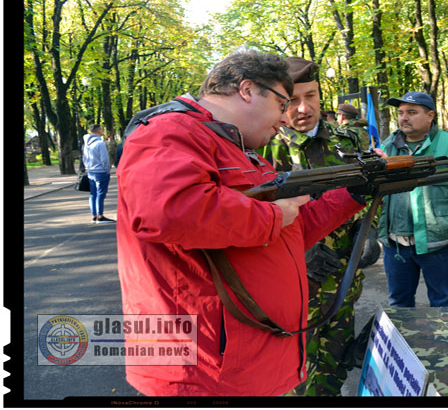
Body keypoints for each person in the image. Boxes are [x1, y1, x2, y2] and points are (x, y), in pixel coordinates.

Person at [115, 50, 365, 396]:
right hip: (202, 367)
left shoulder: (234, 144)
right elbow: (166, 211)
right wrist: (274, 215)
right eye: (282, 103)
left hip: (240, 357)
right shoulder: (170, 130)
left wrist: (354, 194)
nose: (284, 118)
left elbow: (289, 231)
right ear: (247, 90)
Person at [258, 57, 371, 396]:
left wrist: (370, 231)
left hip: (344, 280)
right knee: (293, 373)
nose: (304, 108)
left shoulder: (349, 141)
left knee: (334, 365)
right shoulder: (263, 147)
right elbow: (252, 219)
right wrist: (297, 250)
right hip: (293, 288)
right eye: (293, 100)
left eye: (313, 96)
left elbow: (371, 191)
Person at [378, 92, 448, 307]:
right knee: (399, 304)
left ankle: (440, 342)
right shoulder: (387, 147)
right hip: (395, 245)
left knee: (442, 304)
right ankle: (406, 342)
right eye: (400, 113)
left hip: (441, 244)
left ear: (430, 116)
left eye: (411, 112)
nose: (404, 118)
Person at [82, 124, 114, 223]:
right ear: (99, 130)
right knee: (101, 194)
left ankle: (94, 215)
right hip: (101, 171)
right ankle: (100, 216)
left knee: (93, 194)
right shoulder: (100, 143)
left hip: (91, 171)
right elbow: (104, 159)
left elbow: (84, 158)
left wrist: (88, 168)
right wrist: (107, 170)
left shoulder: (86, 144)